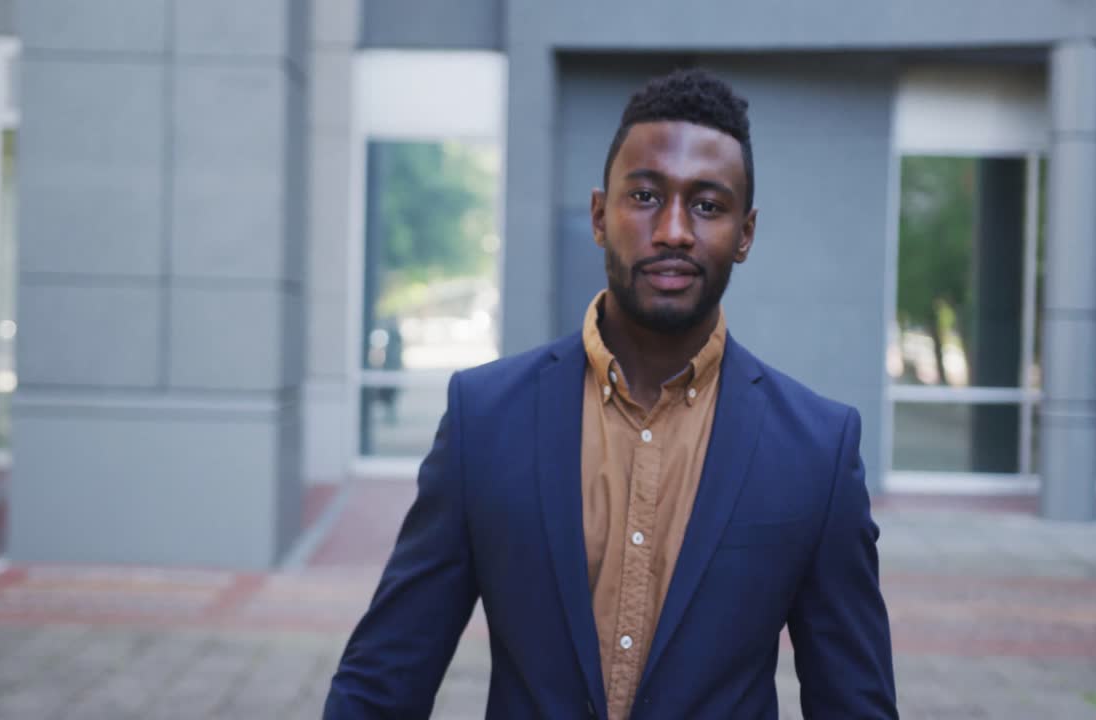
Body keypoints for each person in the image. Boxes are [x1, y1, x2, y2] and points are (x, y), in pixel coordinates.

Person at [324, 68, 897, 719]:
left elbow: (854, 702)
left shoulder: (817, 451)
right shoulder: (485, 420)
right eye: (647, 196)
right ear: (601, 215)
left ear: (745, 233)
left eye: (708, 205)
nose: (675, 229)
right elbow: (385, 676)